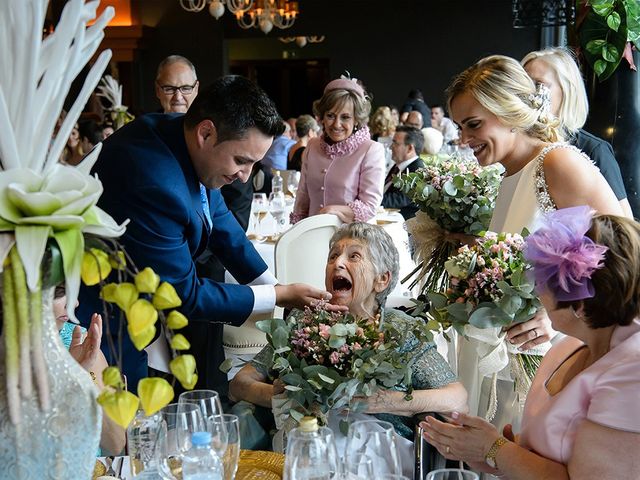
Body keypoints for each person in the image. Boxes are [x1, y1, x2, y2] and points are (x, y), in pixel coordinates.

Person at [79, 76, 345, 395]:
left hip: (147, 309)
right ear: (206, 133)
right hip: (107, 320)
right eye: (241, 161)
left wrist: (273, 286)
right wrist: (279, 296)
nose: (244, 176)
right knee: (127, 426)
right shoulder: (153, 181)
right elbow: (184, 293)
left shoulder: (188, 140)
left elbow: (220, 222)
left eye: (254, 163)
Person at [446, 55, 623, 438]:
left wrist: (557, 313)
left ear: (510, 112)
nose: (464, 140)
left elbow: (623, 257)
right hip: (503, 360)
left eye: (474, 124)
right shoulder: (508, 172)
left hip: (548, 359)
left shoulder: (558, 163)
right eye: (460, 127)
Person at [421, 208, 640, 479]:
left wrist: (494, 448)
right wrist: (485, 452)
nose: (538, 292)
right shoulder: (568, 346)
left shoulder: (632, 375)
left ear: (580, 305)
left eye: (545, 282)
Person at [230, 222, 467, 439]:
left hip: (380, 452)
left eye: (354, 256)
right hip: (309, 442)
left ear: (382, 280)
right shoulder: (305, 322)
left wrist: (385, 401)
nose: (338, 263)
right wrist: (285, 398)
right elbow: (240, 383)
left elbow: (456, 398)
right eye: (333, 256)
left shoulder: (400, 329)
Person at [521, 47, 632, 218]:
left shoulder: (594, 149)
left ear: (566, 91)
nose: (528, 93)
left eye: (538, 85)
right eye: (523, 84)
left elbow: (624, 223)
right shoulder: (517, 147)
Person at [291, 77, 385, 224]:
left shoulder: (371, 150)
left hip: (353, 239)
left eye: (345, 117)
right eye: (330, 116)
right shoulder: (312, 146)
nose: (336, 124)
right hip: (312, 236)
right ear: (322, 117)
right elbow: (303, 195)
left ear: (356, 120)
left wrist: (333, 211)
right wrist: (297, 229)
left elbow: (369, 207)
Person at [54, 286, 126, 456]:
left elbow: (116, 443)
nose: (75, 303)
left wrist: (81, 378)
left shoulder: (80, 343)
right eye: (58, 293)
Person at [382, 126, 425, 220]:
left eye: (395, 143)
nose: (390, 147)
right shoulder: (399, 165)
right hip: (386, 213)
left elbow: (399, 199)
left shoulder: (418, 170)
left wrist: (371, 200)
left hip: (400, 221)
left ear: (409, 148)